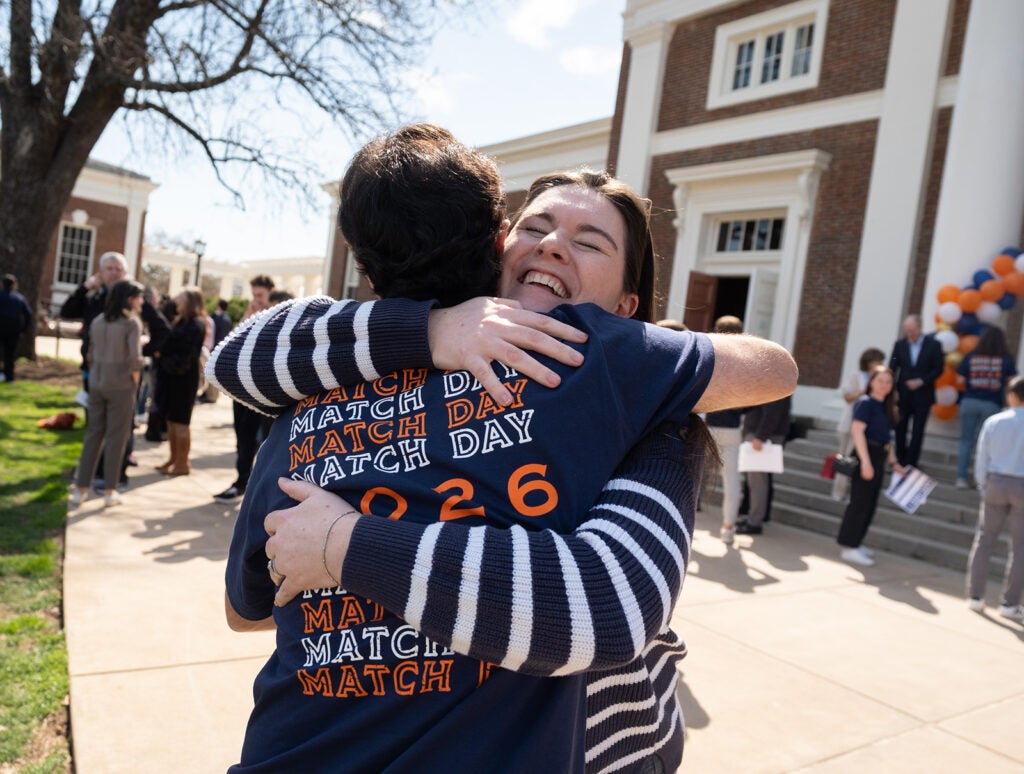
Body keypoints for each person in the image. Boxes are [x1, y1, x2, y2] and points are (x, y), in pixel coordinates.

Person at [213, 128, 797, 771]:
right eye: (536, 226)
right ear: (498, 242)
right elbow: (236, 360)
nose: (552, 243)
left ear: (626, 308)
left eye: (588, 241)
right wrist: (430, 329)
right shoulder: (333, 369)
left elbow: (610, 605)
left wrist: (345, 546)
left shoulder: (600, 358)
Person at [68, 280, 145, 507]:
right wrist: (134, 380)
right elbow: (135, 359)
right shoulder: (131, 323)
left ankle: (80, 489)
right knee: (116, 439)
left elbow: (89, 354)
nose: (141, 301)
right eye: (139, 297)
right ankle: (110, 491)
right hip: (120, 387)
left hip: (97, 384)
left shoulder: (98, 320)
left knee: (93, 436)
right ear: (130, 298)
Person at [966, 375, 1024, 621]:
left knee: (984, 540)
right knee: (1020, 548)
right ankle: (1009, 604)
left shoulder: (995, 421)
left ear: (1011, 395)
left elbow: (982, 456)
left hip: (996, 482)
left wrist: (982, 484)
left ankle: (976, 597)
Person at [213, 276, 276, 503]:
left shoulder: (278, 317)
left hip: (262, 393)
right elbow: (232, 341)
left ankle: (252, 487)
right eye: (254, 295)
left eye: (260, 295)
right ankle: (242, 482)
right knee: (242, 438)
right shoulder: (252, 314)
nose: (256, 300)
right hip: (242, 390)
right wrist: (247, 317)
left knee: (261, 442)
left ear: (271, 293)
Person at [837, 365, 904, 566]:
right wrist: (865, 463)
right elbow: (858, 432)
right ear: (871, 382)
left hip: (879, 455)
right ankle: (849, 546)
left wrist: (894, 462)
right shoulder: (865, 403)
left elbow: (887, 439)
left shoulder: (886, 407)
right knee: (859, 503)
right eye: (880, 381)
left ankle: (857, 542)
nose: (884, 385)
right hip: (866, 455)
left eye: (888, 382)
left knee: (870, 504)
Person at [153, 287, 207, 476]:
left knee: (181, 422)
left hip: (183, 379)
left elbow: (186, 355)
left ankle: (182, 464)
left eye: (181, 299)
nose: (177, 302)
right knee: (171, 421)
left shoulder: (196, 324)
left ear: (191, 302)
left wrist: (163, 358)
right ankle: (173, 459)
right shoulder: (182, 321)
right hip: (172, 378)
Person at [955, 326, 1017, 489]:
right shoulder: (1006, 359)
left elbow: (960, 380)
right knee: (988, 444)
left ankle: (961, 478)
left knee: (966, 442)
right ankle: (981, 481)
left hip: (969, 401)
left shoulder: (971, 356)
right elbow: (1013, 383)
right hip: (992, 403)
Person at [704, 315, 745, 544]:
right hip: (732, 428)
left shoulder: (712, 353)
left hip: (709, 425)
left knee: (693, 475)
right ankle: (728, 527)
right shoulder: (746, 360)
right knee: (732, 481)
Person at [889, 314, 944, 469]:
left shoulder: (934, 345)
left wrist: (921, 381)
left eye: (912, 330)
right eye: (907, 330)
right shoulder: (899, 345)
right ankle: (900, 460)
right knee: (900, 428)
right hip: (903, 395)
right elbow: (892, 368)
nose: (909, 333)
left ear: (920, 328)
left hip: (923, 395)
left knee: (917, 431)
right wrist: (893, 389)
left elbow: (938, 369)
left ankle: (911, 462)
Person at [832, 347, 886, 500]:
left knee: (857, 460)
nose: (880, 365)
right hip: (849, 423)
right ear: (869, 363)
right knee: (845, 459)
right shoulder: (857, 376)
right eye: (877, 362)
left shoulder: (880, 378)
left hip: (867, 428)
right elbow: (847, 396)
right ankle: (838, 492)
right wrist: (864, 391)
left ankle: (851, 493)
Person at [735, 393, 791, 535]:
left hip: (762, 437)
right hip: (760, 435)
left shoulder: (776, 378)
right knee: (757, 482)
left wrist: (761, 436)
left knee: (758, 482)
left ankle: (754, 522)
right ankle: (754, 517)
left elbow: (773, 410)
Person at [0, 274, 33, 383]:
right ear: (14, 285)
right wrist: (24, 329)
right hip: (14, 330)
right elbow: (28, 314)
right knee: (9, 353)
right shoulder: (19, 298)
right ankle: (9, 377)